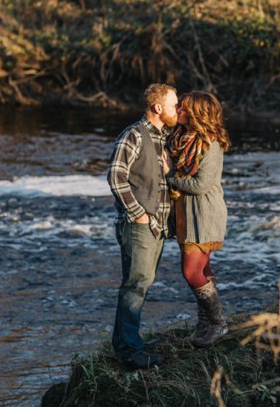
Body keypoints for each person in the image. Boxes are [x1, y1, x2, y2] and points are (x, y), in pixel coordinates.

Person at [107, 83, 178, 370]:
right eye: (174, 105)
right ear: (158, 107)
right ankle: (128, 351)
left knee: (141, 285)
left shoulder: (164, 138)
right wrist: (138, 214)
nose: (178, 110)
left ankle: (129, 342)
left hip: (156, 227)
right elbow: (115, 177)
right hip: (138, 225)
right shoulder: (133, 135)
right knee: (135, 287)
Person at [166, 91, 230, 347]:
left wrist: (169, 176)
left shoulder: (210, 144)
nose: (179, 107)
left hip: (204, 213)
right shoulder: (180, 138)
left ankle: (218, 322)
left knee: (191, 271)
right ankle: (206, 323)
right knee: (202, 269)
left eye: (184, 106)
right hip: (186, 213)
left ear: (195, 114)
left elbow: (201, 184)